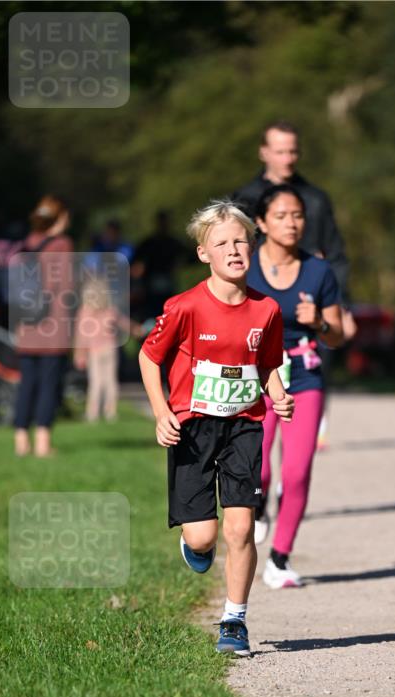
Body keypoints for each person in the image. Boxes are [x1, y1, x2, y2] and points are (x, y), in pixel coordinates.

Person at [139, 200, 294, 656]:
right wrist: (161, 411)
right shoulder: (185, 306)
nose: (233, 249)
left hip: (244, 424)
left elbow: (267, 363)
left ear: (253, 246)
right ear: (204, 253)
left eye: (241, 240)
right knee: (204, 536)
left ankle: (234, 620)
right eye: (221, 243)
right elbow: (149, 357)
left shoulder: (267, 310)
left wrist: (278, 393)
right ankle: (197, 545)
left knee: (241, 529)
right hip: (192, 426)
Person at [246, 184, 343, 588]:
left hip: (303, 376)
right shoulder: (244, 268)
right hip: (255, 379)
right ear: (262, 222)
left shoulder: (319, 271)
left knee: (298, 471)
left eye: (298, 215)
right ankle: (258, 507)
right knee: (261, 469)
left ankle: (280, 560)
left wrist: (319, 321)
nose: (292, 223)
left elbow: (336, 334)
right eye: (282, 215)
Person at [232, 120, 356, 341]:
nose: (287, 160)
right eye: (280, 152)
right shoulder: (244, 199)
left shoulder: (316, 200)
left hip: (310, 306)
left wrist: (341, 305)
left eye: (293, 152)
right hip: (258, 303)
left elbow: (335, 255)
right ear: (264, 152)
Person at [12, 195, 73, 458]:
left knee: (27, 384)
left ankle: (21, 441)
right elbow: (68, 288)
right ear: (59, 218)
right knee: (48, 384)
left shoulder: (26, 244)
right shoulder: (63, 245)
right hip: (52, 327)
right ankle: (42, 444)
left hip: (26, 325)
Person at [74, 275, 143, 422]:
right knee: (110, 381)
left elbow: (81, 336)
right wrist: (136, 329)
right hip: (110, 348)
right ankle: (110, 411)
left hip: (94, 350)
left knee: (96, 382)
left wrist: (79, 354)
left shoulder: (84, 312)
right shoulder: (110, 310)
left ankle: (92, 413)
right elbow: (124, 323)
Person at [131, 210, 192, 321]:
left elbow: (190, 256)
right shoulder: (148, 243)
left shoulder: (174, 242)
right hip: (150, 283)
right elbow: (135, 262)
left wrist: (179, 264)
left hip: (168, 280)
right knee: (152, 312)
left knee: (168, 310)